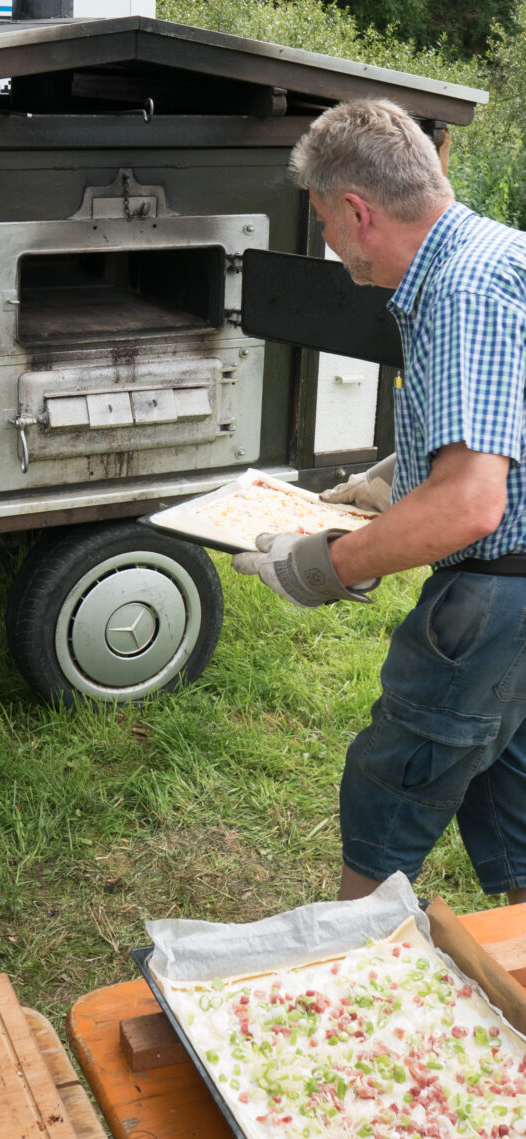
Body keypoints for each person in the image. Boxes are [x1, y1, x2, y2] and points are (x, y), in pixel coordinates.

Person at [233, 98, 526, 905]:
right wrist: (400, 475)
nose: (326, 240)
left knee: (391, 786)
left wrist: (325, 566)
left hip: (502, 594)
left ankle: (350, 965)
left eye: (324, 219)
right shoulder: (498, 253)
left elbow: (471, 507)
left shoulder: (462, 290)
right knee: (508, 796)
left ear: (358, 211)